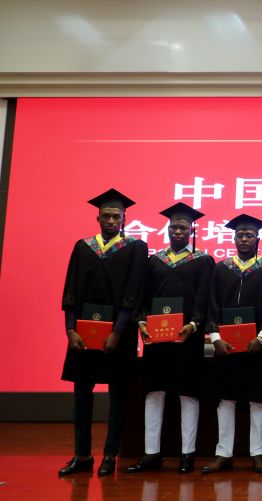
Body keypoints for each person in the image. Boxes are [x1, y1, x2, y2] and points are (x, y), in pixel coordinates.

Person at [59, 188, 148, 477]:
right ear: (98, 218)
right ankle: (82, 454)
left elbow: (134, 292)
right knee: (81, 395)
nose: (111, 221)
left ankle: (110, 455)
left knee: (118, 396)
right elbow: (71, 290)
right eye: (106, 216)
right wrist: (70, 329)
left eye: (116, 216)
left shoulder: (135, 248)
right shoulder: (83, 247)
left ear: (124, 219)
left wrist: (118, 331)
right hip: (84, 333)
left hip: (119, 335)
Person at [127, 203, 214, 475]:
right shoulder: (154, 261)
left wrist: (194, 324)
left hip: (187, 338)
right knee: (154, 393)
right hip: (157, 338)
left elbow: (203, 299)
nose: (178, 231)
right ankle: (151, 453)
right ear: (168, 228)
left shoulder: (202, 261)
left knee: (188, 394)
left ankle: (187, 454)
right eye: (174, 226)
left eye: (183, 227)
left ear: (191, 231)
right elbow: (143, 298)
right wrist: (142, 322)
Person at [202, 214, 262, 474]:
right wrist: (216, 338)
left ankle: (258, 453)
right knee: (225, 399)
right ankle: (223, 453)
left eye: (249, 235)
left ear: (258, 239)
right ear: (234, 238)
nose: (244, 239)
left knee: (258, 399)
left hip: (256, 345)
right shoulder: (221, 269)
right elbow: (212, 304)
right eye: (240, 235)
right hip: (225, 345)